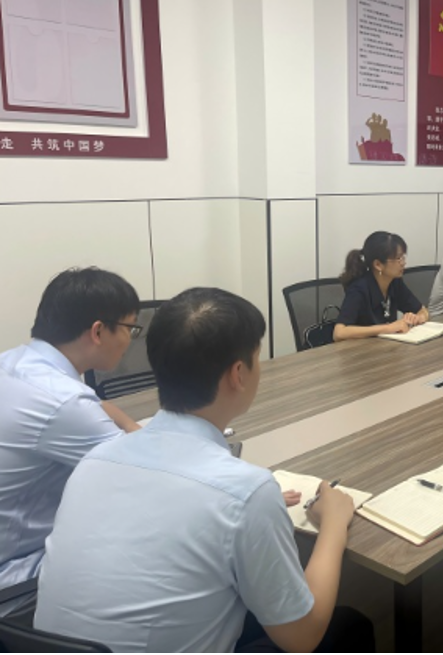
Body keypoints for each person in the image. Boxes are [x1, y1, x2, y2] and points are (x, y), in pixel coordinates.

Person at [34, 288, 374, 654]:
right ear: (238, 374)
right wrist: (334, 524)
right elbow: (301, 639)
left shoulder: (94, 461)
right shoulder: (246, 492)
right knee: (350, 626)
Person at [0, 268, 141, 620]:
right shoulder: (64, 403)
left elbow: (89, 404)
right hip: (15, 580)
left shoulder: (14, 362)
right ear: (98, 331)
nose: (130, 339)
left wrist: (129, 425)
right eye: (130, 328)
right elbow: (148, 478)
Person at [333, 231, 428, 341]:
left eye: (403, 257)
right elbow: (339, 333)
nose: (403, 263)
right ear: (378, 265)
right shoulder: (359, 289)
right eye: (398, 258)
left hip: (386, 346)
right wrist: (388, 328)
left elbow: (422, 310)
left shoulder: (395, 282)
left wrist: (418, 318)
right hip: (360, 348)